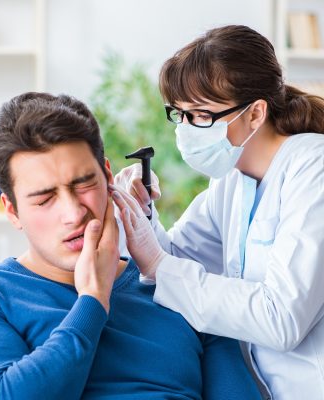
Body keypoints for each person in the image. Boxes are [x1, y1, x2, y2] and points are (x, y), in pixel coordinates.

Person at [0, 92, 261, 400]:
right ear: (12, 211)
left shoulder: (181, 288)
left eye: (84, 185)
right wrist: (93, 300)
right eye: (44, 199)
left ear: (107, 176)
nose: (73, 214)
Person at [112, 24, 324, 400]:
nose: (187, 130)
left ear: (255, 113)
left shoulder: (313, 167)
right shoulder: (231, 178)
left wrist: (159, 264)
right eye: (180, 114)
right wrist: (142, 216)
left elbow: (282, 320)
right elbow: (177, 261)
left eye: (201, 115)